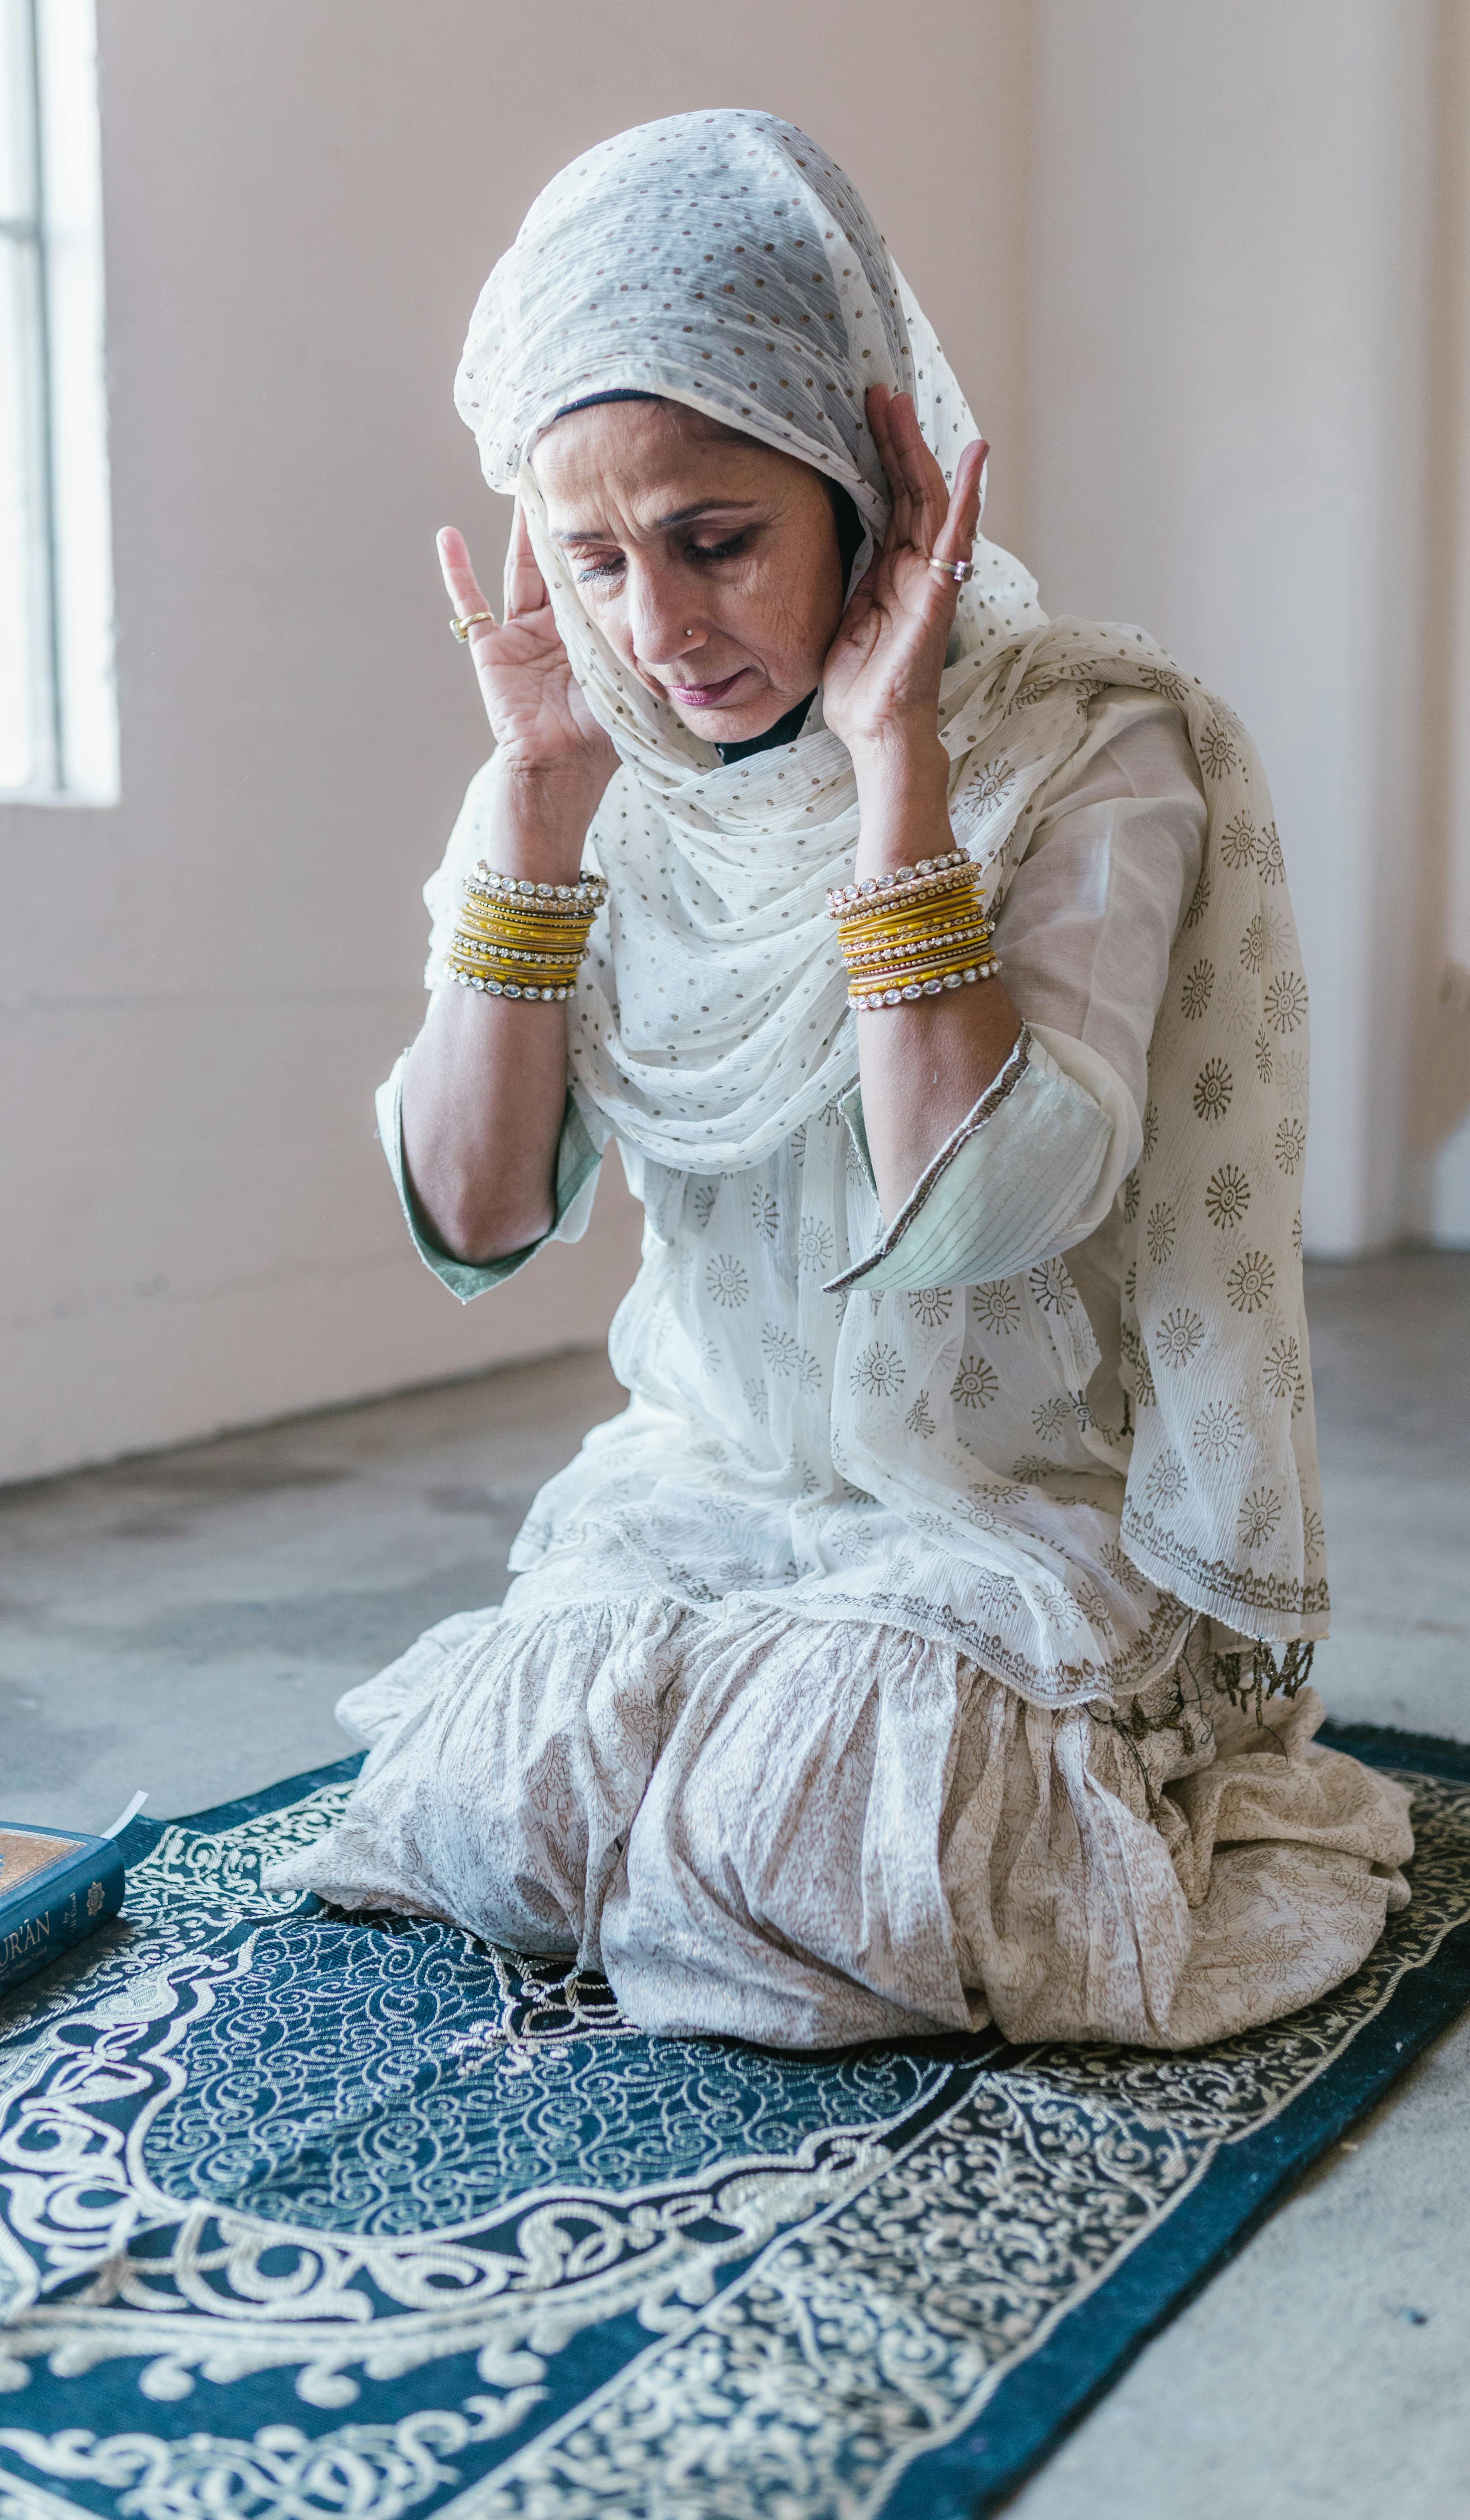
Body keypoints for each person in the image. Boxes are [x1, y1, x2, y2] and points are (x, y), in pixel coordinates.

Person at [271, 111, 1411, 2049]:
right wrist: (540, 805)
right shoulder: (584, 772)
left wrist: (898, 771)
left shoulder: (1085, 750)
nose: (660, 628)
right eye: (597, 558)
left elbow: (975, 1201)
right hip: (715, 1487)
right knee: (490, 1819)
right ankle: (749, 1709)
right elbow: (472, 1214)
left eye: (718, 541)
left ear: (866, 492)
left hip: (1010, 1505)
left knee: (799, 1877)